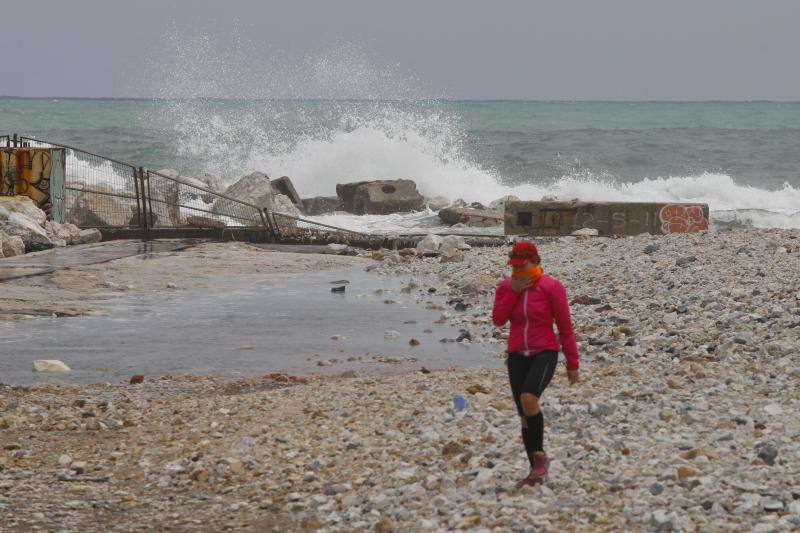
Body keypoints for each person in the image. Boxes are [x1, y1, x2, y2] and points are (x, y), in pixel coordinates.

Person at [492, 241, 580, 487]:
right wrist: (513, 291)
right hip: (517, 354)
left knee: (529, 399)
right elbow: (498, 320)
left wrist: (572, 363)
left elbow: (565, 328)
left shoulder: (552, 287)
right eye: (515, 267)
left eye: (523, 267)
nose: (518, 272)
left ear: (535, 262)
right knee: (523, 417)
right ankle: (536, 470)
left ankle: (540, 458)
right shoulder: (505, 287)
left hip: (545, 352)